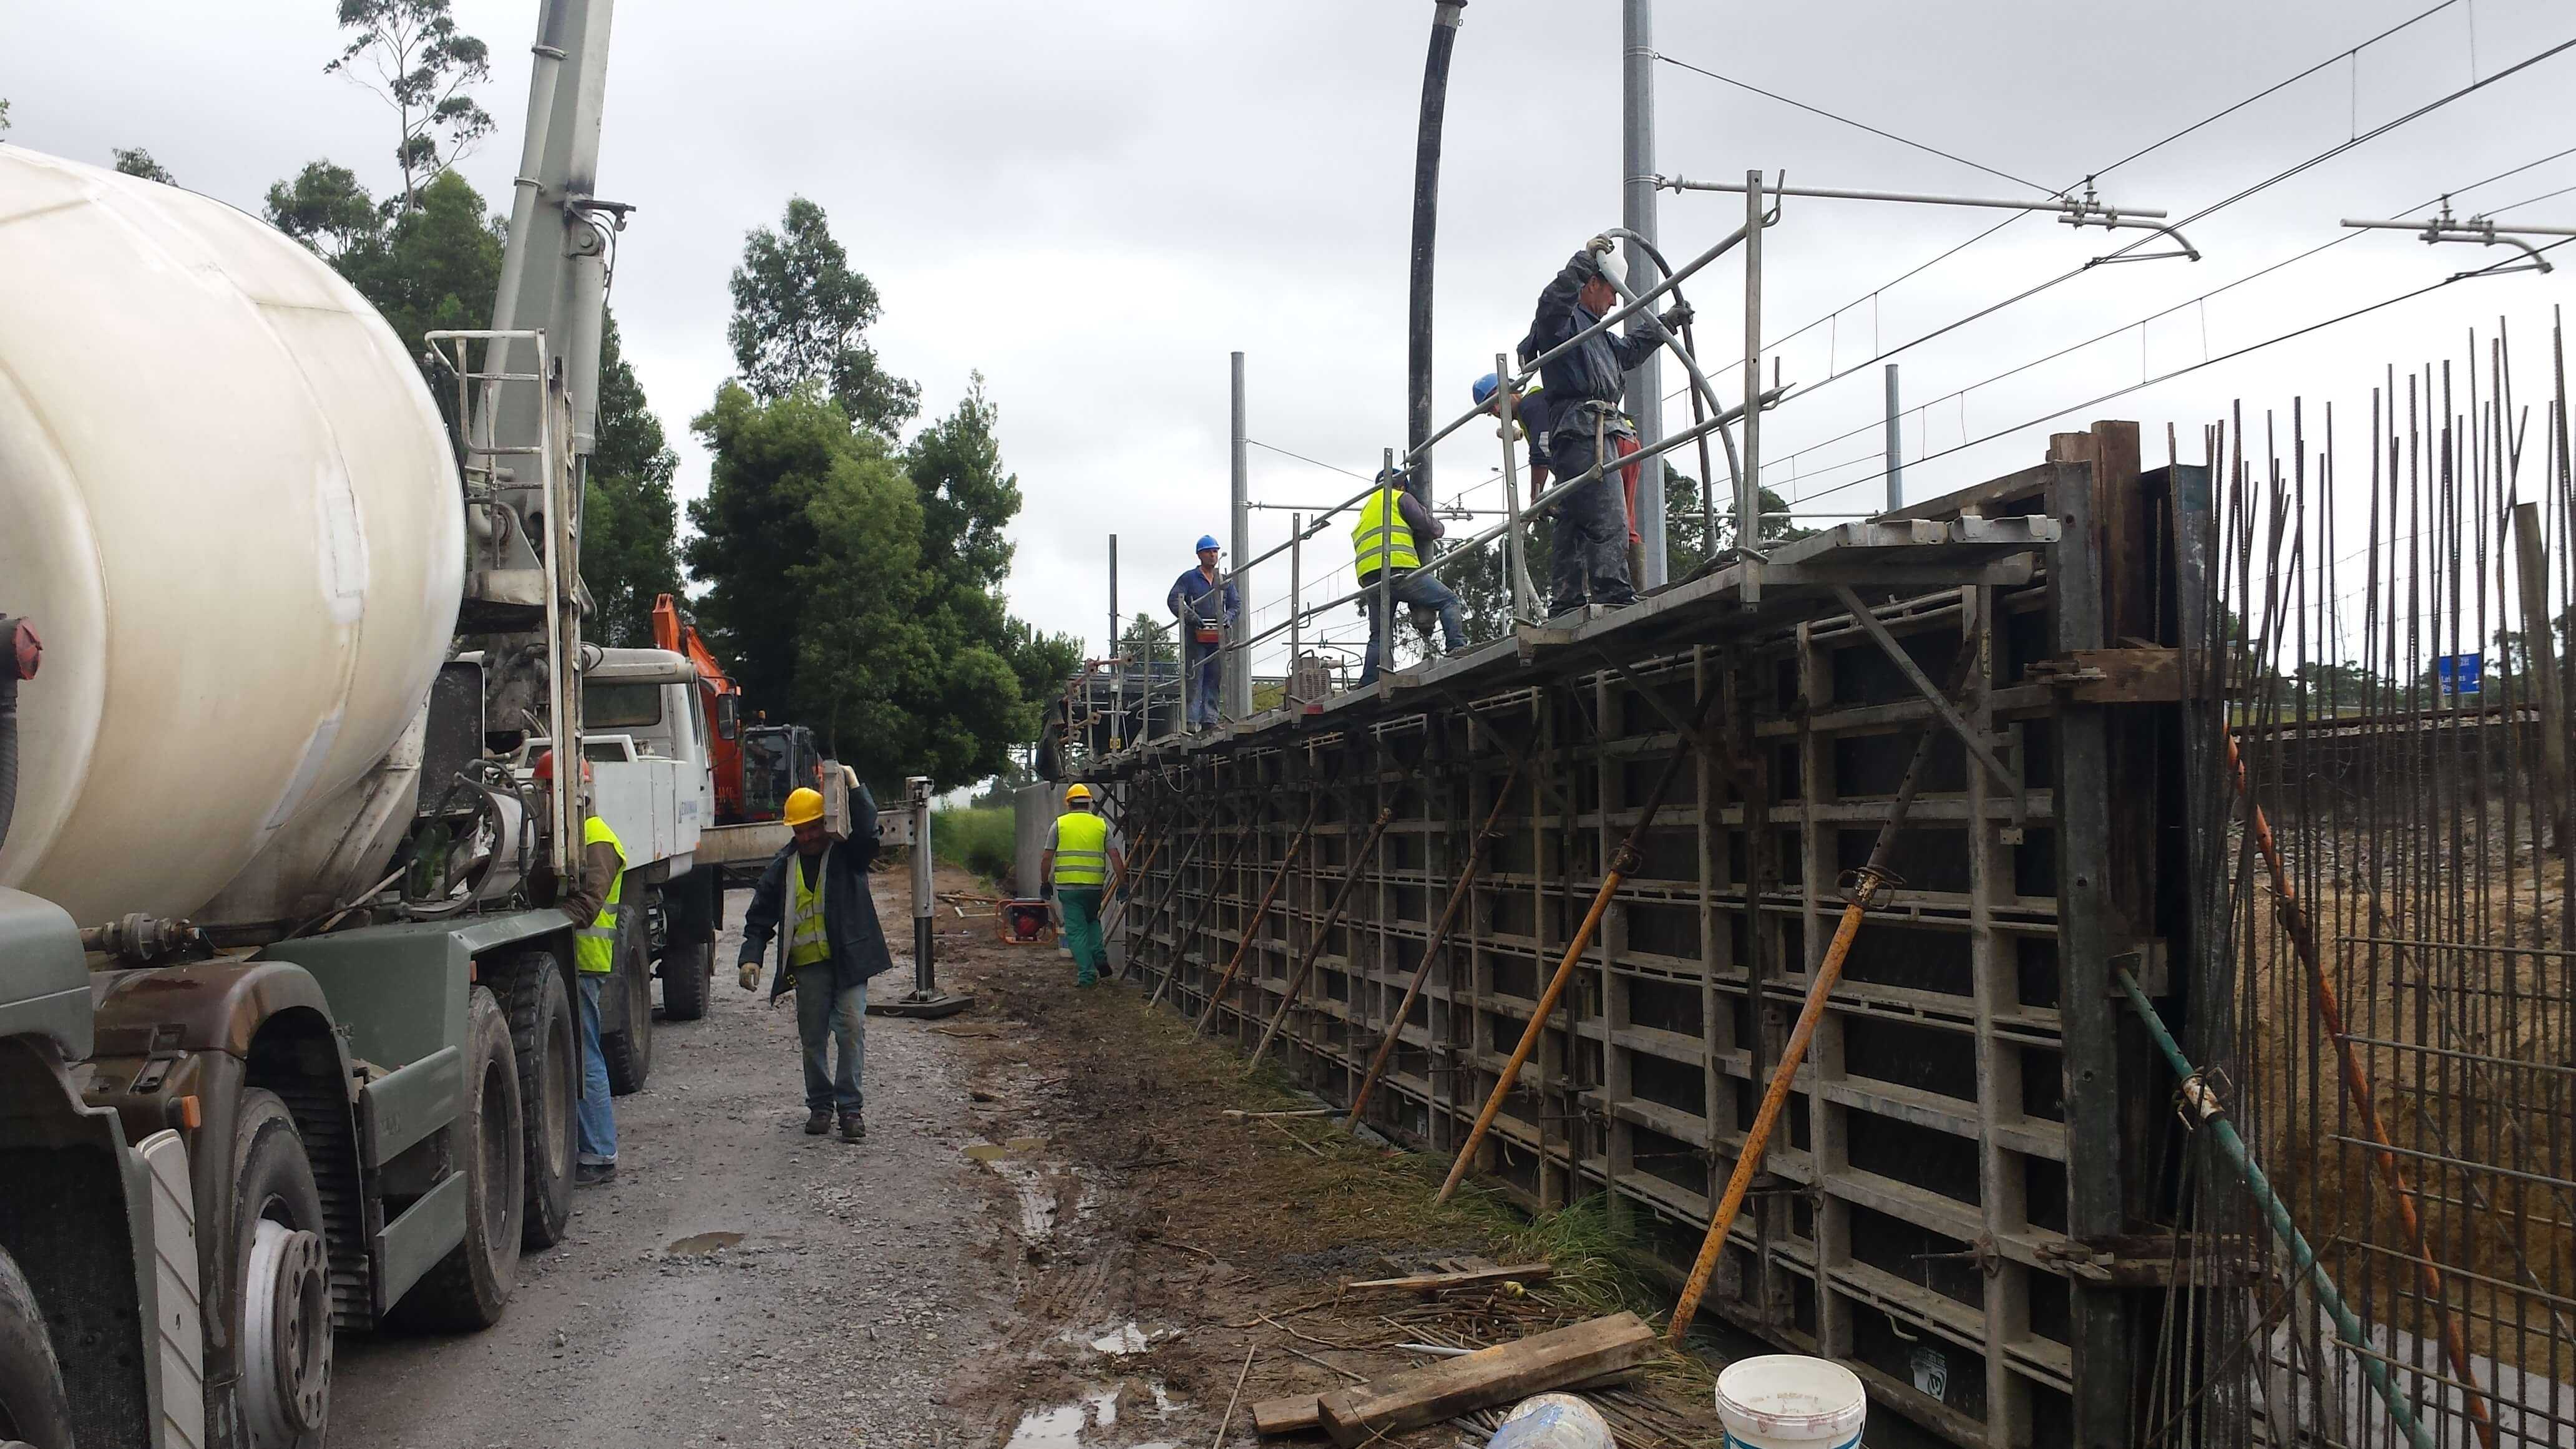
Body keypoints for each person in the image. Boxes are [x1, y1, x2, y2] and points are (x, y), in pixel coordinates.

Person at [1524, 237, 1692, 617]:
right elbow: (1551, 304)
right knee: (1608, 513)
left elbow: (1627, 352)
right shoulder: (1562, 324)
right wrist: (1583, 261)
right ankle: (1613, 592)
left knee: (1574, 517)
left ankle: (1566, 601)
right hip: (1583, 428)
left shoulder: (1594, 331)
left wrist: (1665, 324)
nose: (1616, 302)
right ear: (1593, 283)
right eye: (1613, 292)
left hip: (1589, 429)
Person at [736, 782, 892, 1142]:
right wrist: (751, 958)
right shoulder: (783, 866)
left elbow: (868, 832)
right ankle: (821, 1106)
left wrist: (855, 787)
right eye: (799, 830)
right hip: (808, 967)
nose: (807, 837)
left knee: (851, 1028)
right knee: (813, 1037)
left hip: (849, 961)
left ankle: (850, 1109)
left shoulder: (847, 855)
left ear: (826, 822)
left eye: (812, 828)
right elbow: (759, 917)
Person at [534, 749, 624, 1188]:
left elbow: (588, 905)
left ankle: (601, 1153)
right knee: (580, 1054)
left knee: (586, 1056)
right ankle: (590, 1149)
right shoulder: (570, 836)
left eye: (548, 789)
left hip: (583, 962)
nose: (545, 798)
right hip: (573, 960)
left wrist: (535, 925)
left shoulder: (595, 836)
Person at [1353, 466, 1467, 686]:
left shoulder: (1367, 507)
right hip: (1398, 570)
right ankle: (1457, 647)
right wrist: (1439, 526)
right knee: (1449, 600)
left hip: (1370, 578)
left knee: (1379, 634)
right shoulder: (1400, 498)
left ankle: (1370, 680)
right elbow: (1430, 528)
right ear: (1402, 486)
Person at [1040, 783, 1127, 987]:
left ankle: (1087, 976)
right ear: (1089, 803)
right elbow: (1115, 856)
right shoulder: (1101, 825)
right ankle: (1099, 957)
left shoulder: (1059, 825)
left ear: (1069, 803)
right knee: (1092, 921)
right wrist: (1122, 883)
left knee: (1076, 932)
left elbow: (1047, 857)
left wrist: (1045, 882)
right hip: (1094, 887)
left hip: (1069, 889)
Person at [1166, 535, 1237, 731]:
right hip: (1195, 636)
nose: (1213, 555)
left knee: (1214, 678)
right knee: (1194, 677)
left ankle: (1209, 720)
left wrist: (1228, 616)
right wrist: (1190, 616)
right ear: (1200, 555)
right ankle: (1190, 721)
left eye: (1215, 551)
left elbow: (1235, 604)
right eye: (1208, 552)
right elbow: (1174, 600)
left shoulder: (1224, 580)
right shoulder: (1189, 578)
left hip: (1217, 636)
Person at [1473, 371, 1553, 495]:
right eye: (1489, 409)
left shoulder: (1531, 404)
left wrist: (1535, 498)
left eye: (1497, 400)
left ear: (1511, 389)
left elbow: (1541, 453)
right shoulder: (1526, 413)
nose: (1497, 410)